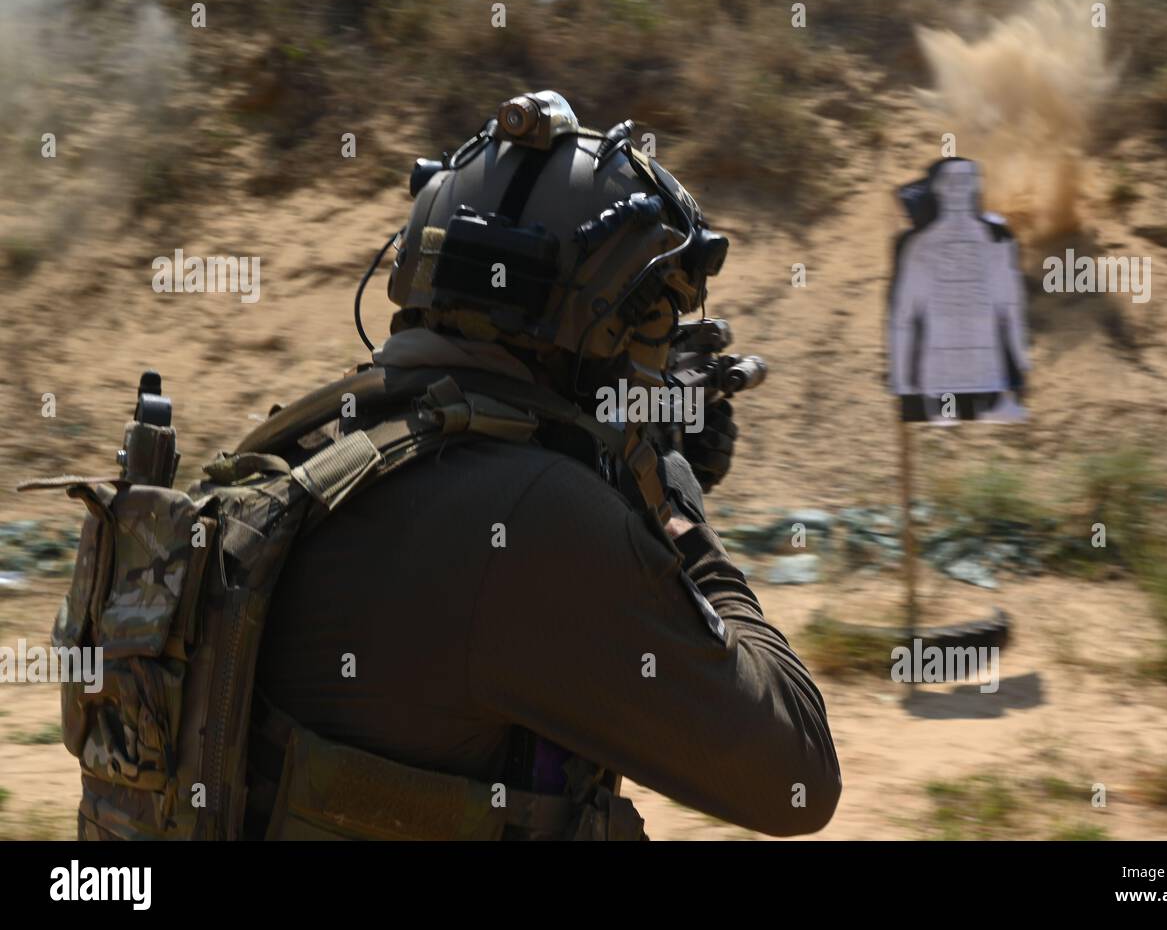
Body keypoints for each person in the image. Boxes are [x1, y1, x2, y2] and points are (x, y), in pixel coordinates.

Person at [240, 91, 841, 840]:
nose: (655, 355)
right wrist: (672, 502)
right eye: (655, 320)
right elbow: (795, 779)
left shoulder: (311, 442)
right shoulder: (533, 522)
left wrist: (623, 470)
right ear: (597, 322)